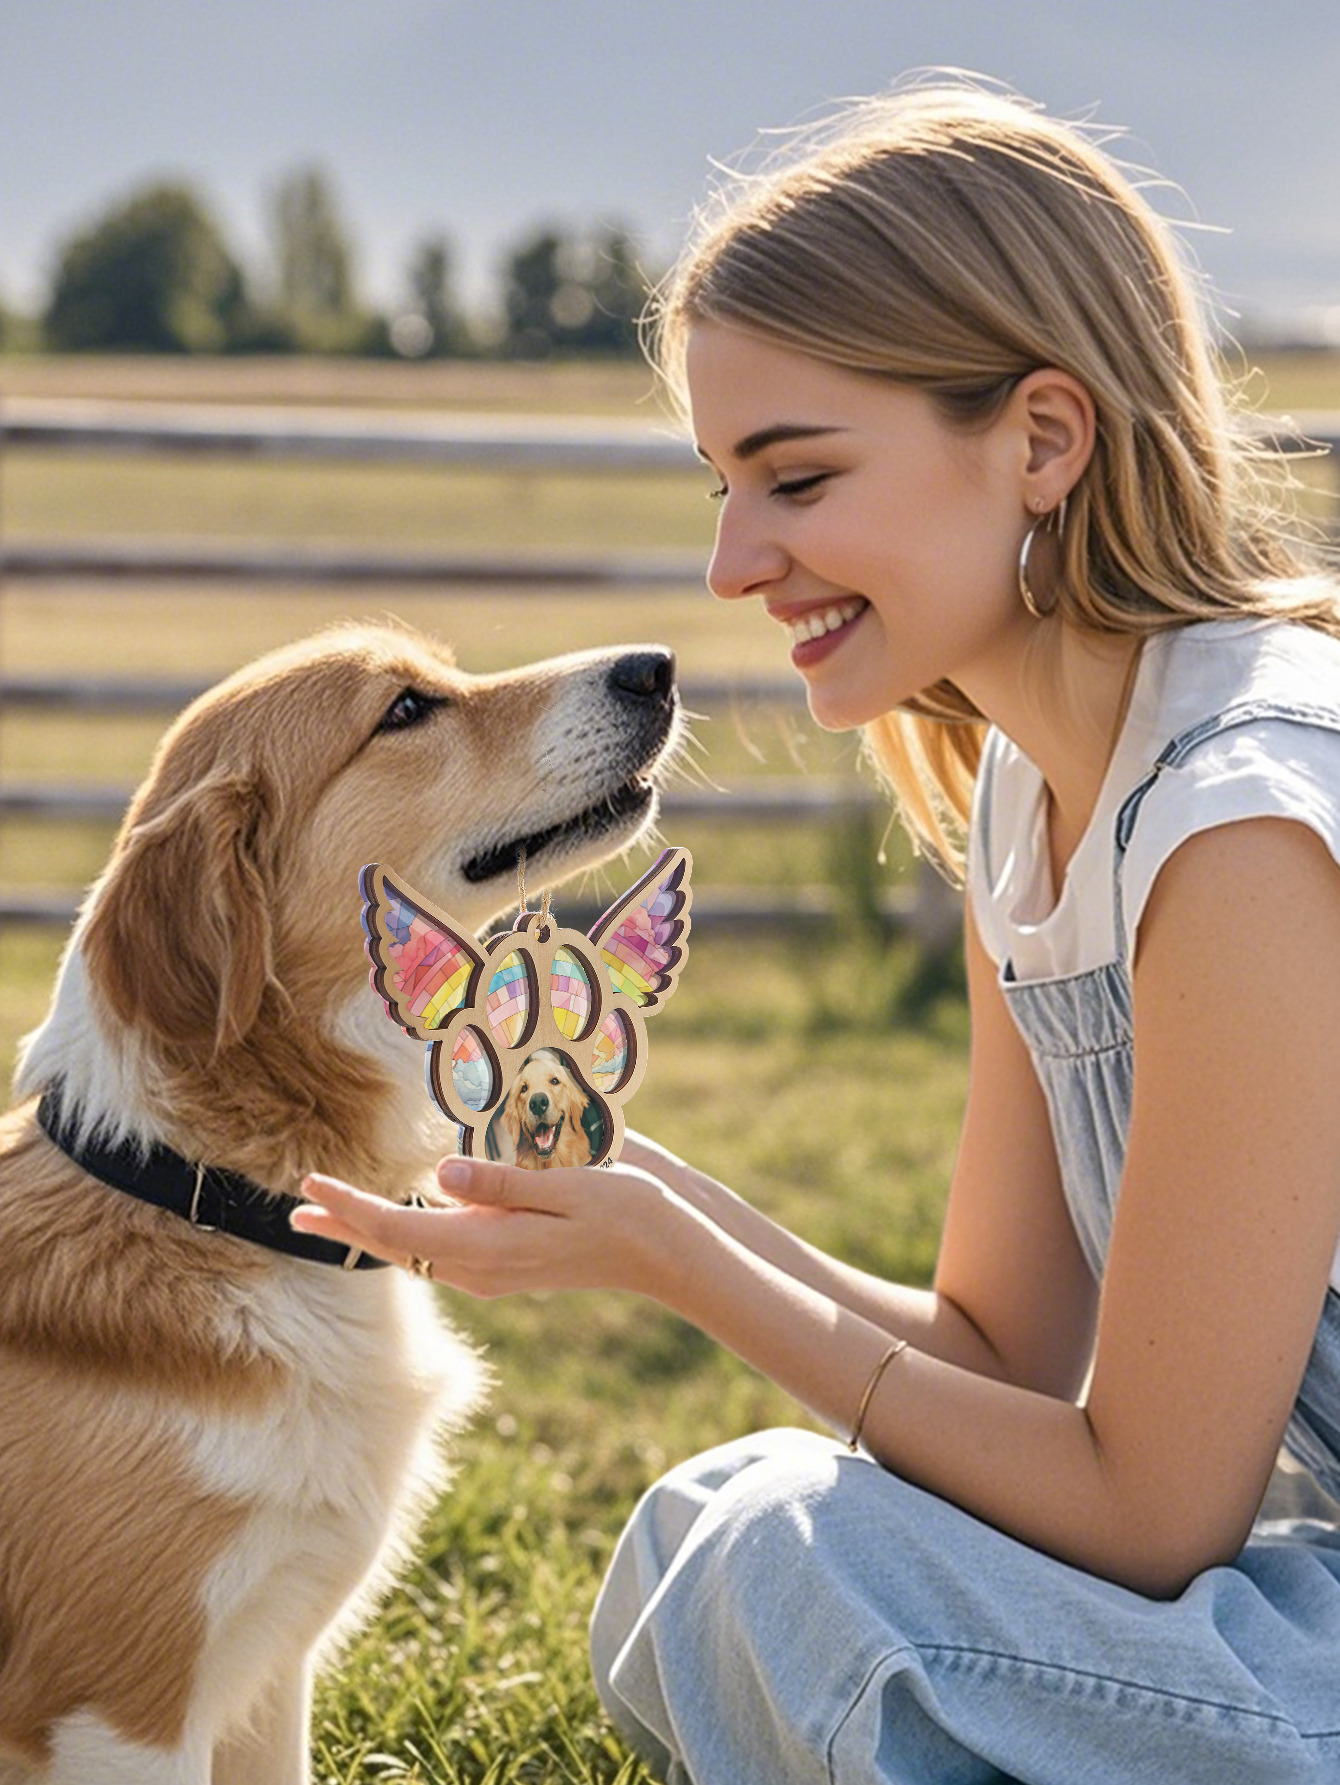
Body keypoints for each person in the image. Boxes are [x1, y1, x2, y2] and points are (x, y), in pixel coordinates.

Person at [292, 79, 1340, 1785]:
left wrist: (680, 1264)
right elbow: (1000, 1358)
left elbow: (1149, 1513)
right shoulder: (1036, 792)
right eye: (723, 483)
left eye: (796, 477)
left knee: (803, 1576)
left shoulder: (1238, 822)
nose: (729, 563)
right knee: (714, 1524)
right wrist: (651, 1198)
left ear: (1042, 440)